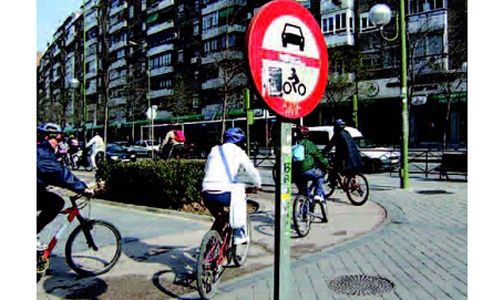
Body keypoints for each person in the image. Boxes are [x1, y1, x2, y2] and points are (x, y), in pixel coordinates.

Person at [37, 123, 94, 250]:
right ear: (47, 138)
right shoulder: (43, 154)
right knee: (55, 203)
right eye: (58, 139)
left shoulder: (41, 150)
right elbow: (59, 174)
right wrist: (83, 188)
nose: (59, 143)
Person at [202, 127, 261, 245]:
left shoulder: (214, 149)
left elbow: (206, 169)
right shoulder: (238, 152)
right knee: (240, 196)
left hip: (207, 193)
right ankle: (239, 233)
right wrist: (258, 184)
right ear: (239, 141)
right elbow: (251, 171)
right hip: (224, 194)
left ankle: (209, 247)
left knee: (220, 219)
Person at [292, 126, 329, 210]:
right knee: (320, 175)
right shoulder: (309, 144)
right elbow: (319, 156)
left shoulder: (294, 144)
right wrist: (326, 165)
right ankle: (317, 194)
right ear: (307, 135)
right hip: (306, 170)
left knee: (303, 193)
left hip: (296, 173)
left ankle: (304, 213)